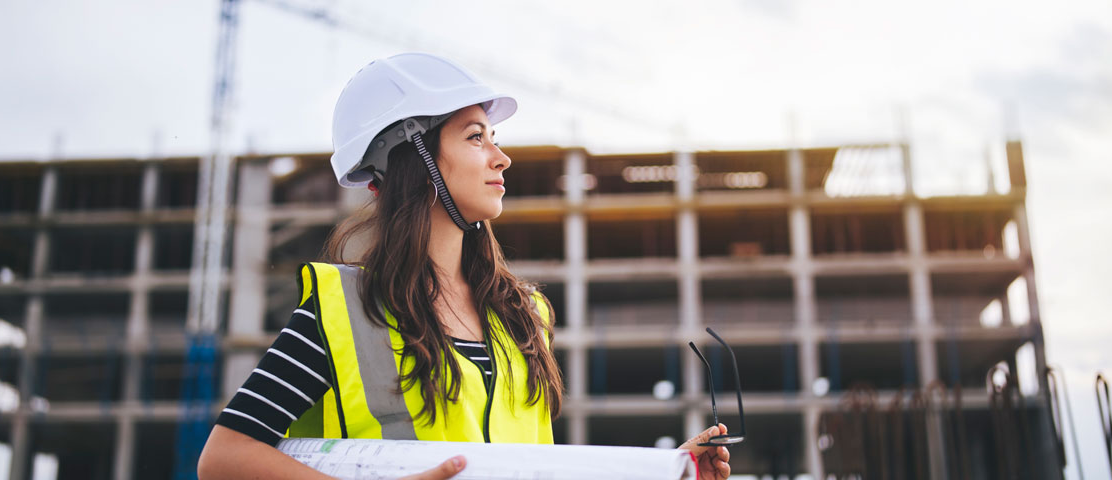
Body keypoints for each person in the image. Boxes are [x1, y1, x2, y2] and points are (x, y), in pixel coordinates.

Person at [197, 53, 732, 480]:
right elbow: (224, 457)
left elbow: (532, 469)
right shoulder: (344, 312)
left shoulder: (525, 316)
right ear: (417, 160)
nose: (501, 158)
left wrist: (668, 471)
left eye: (493, 139)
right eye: (476, 137)